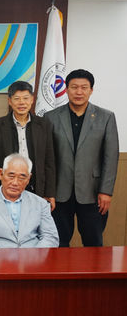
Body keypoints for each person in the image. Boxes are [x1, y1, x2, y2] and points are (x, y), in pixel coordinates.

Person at [44, 69, 119, 247]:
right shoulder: (51, 117)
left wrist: (106, 191)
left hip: (93, 192)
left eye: (84, 87)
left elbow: (110, 157)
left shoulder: (106, 117)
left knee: (93, 244)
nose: (79, 92)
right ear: (66, 89)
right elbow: (47, 157)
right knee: (58, 244)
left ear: (91, 90)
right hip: (59, 193)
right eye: (74, 87)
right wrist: (48, 192)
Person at [0, 81, 56, 208]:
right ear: (10, 101)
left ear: (32, 100)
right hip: (6, 188)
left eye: (25, 98)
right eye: (17, 98)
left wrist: (49, 193)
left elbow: (49, 161)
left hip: (36, 187)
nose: (21, 102)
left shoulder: (44, 125)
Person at [0, 153, 59, 248]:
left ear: (28, 179)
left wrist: (35, 254)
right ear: (1, 174)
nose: (15, 183)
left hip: (33, 254)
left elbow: (50, 236)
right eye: (11, 176)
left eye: (22, 178)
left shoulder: (41, 204)